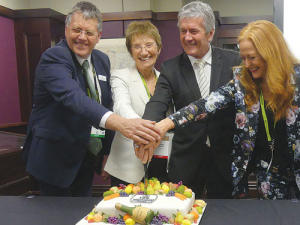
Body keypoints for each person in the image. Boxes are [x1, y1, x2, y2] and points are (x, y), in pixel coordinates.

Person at [141, 20, 300, 200]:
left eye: (253, 57)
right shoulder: (243, 81)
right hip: (268, 176)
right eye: (244, 57)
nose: (247, 64)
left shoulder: (297, 80)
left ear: (271, 53)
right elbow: (204, 105)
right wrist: (163, 126)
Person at [22, 1, 161, 197]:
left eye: (89, 33)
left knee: (84, 215)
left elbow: (107, 104)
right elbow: (74, 97)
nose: (82, 37)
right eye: (76, 30)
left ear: (99, 36)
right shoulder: (54, 58)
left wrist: (107, 152)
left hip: (86, 157)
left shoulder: (101, 60)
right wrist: (124, 124)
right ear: (66, 29)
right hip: (54, 159)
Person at [136, 1, 240, 198]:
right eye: (183, 31)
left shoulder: (234, 62)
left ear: (210, 33)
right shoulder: (170, 68)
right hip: (186, 161)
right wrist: (146, 131)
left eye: (194, 31)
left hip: (225, 158)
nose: (187, 37)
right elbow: (158, 103)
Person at [104, 20, 171, 185]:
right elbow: (121, 106)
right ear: (130, 51)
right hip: (127, 167)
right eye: (136, 46)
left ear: (159, 48)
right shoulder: (121, 76)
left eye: (149, 45)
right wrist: (143, 133)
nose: (144, 52)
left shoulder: (167, 79)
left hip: (161, 163)